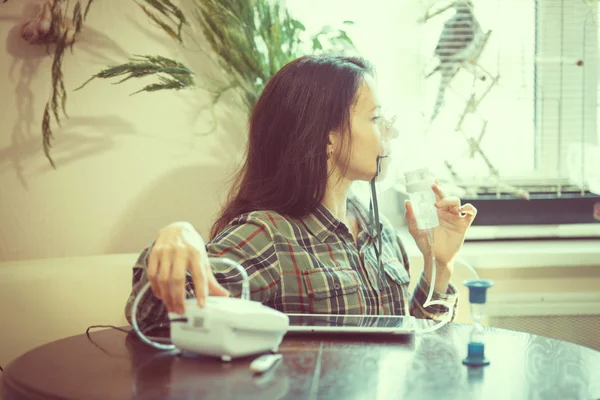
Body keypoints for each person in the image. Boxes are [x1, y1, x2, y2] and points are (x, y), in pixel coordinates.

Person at [124, 54, 477, 331]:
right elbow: (153, 320)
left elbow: (413, 342)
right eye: (375, 118)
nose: (390, 133)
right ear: (327, 136)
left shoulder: (379, 231)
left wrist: (438, 265)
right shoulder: (268, 236)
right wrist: (175, 240)